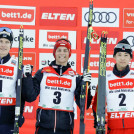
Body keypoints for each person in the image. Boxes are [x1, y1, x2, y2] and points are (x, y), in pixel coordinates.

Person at [22, 38, 93, 134]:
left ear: (69, 53)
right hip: (43, 128)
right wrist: (27, 77)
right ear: (54, 53)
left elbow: (84, 105)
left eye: (65, 50)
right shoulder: (43, 72)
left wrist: (86, 86)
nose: (62, 53)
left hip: (65, 129)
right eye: (59, 50)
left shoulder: (75, 77)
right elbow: (30, 96)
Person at [92, 39, 134, 134]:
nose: (122, 58)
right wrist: (97, 119)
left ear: (131, 58)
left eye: (126, 55)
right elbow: (97, 103)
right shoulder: (105, 78)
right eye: (119, 55)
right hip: (114, 128)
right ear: (114, 56)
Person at [0, 27, 25, 134]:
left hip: (8, 118)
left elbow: (22, 93)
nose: (3, 45)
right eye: (0, 41)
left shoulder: (17, 65)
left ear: (11, 45)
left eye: (7, 42)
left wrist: (20, 113)